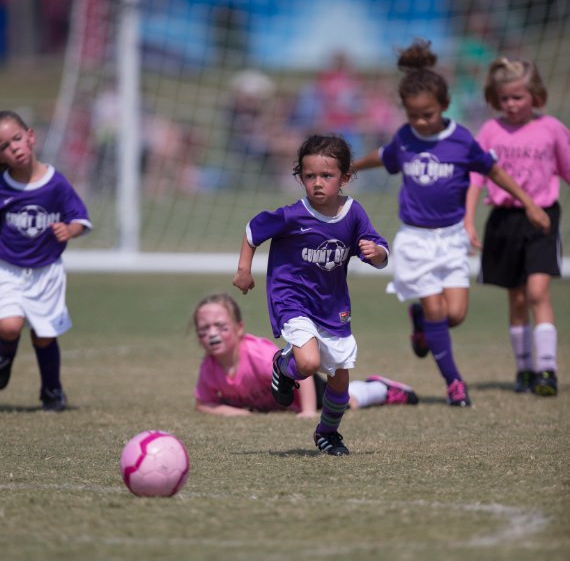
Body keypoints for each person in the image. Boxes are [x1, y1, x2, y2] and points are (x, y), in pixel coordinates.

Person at [351, 40, 550, 408]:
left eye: (428, 114)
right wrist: (353, 167)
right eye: (414, 116)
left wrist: (530, 204)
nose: (421, 122)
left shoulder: (461, 140)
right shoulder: (405, 139)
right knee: (438, 311)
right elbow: (383, 155)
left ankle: (420, 320)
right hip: (415, 241)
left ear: (444, 105)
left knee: (454, 315)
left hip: (452, 239)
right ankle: (454, 383)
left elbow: (494, 171)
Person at [233, 134, 389, 455]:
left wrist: (377, 253)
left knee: (340, 382)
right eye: (309, 176)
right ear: (300, 177)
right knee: (308, 362)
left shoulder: (353, 213)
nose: (317, 183)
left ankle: (327, 433)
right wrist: (244, 270)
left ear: (345, 177)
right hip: (292, 299)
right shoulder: (293, 215)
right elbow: (253, 230)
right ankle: (284, 366)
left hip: (332, 306)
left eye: (327, 176)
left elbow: (380, 252)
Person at [0, 110, 92, 411]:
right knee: (10, 326)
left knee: (44, 335)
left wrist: (70, 230)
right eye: (4, 146)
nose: (14, 148)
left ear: (31, 137)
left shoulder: (56, 183)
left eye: (17, 139)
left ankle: (52, 390)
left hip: (47, 272)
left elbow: (80, 219)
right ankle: (3, 355)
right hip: (9, 268)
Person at [465, 57, 570, 397]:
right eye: (504, 98)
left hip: (542, 217)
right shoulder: (491, 131)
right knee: (518, 296)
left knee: (539, 292)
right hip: (504, 219)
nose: (511, 104)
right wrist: (468, 220)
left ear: (535, 95)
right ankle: (524, 369)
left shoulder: (552, 128)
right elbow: (476, 177)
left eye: (518, 97)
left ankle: (547, 370)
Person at [193, 293, 417, 417]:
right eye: (204, 330)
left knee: (347, 402)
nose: (213, 335)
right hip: (287, 404)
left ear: (239, 328)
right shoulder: (209, 367)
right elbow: (204, 403)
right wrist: (235, 413)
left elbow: (302, 369)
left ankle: (380, 388)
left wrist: (309, 411)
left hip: (303, 386)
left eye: (220, 326)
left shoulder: (257, 355)